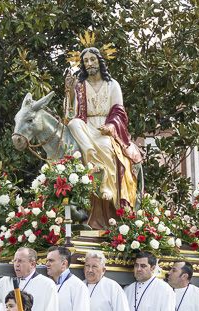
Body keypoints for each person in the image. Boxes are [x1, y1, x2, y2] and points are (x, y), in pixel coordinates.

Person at [64, 46, 142, 228]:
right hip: (84, 126)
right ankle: (90, 155)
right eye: (85, 61)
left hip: (104, 129)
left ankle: (106, 184)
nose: (89, 63)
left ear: (99, 61)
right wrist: (69, 92)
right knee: (74, 124)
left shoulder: (112, 85)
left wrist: (110, 126)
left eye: (92, 59)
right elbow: (70, 116)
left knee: (107, 146)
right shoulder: (79, 87)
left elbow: (119, 112)